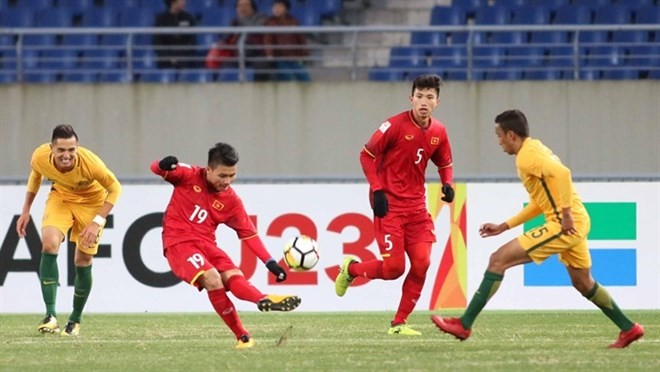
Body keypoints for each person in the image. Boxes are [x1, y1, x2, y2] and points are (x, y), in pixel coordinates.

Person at [431, 109, 645, 348]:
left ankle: (464, 324)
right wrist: (505, 225)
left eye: (499, 135)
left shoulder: (526, 157)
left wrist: (564, 216)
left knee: (498, 260)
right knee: (583, 282)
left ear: (511, 134)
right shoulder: (535, 148)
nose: (498, 140)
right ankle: (629, 328)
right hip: (576, 220)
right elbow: (539, 202)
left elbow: (564, 174)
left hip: (565, 224)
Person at [334, 74, 455, 335]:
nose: (424, 101)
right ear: (411, 98)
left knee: (422, 263)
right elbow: (366, 155)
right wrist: (377, 190)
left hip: (417, 208)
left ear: (437, 102)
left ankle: (399, 323)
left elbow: (444, 162)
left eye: (429, 97)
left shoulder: (439, 131)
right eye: (419, 96)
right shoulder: (393, 126)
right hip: (389, 204)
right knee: (394, 269)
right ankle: (351, 269)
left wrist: (448, 183)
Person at [151, 142, 301, 349]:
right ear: (209, 169)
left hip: (207, 245)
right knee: (213, 278)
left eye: (232, 175)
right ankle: (242, 334)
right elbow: (156, 169)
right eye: (223, 176)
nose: (228, 181)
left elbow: (249, 234)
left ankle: (263, 299)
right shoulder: (188, 175)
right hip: (179, 243)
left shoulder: (231, 201)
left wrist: (270, 262)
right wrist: (164, 163)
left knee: (233, 277)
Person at [16, 124, 122, 336]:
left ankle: (75, 319)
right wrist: (25, 210)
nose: (67, 155)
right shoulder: (40, 156)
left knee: (82, 260)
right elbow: (36, 175)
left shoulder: (91, 163)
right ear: (52, 148)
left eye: (71, 150)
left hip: (92, 203)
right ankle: (50, 315)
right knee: (49, 243)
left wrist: (97, 222)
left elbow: (115, 189)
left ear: (77, 148)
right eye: (61, 150)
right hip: (61, 197)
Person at [264, 0, 310, 81]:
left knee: (305, 77)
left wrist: (305, 54)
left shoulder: (294, 21)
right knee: (288, 76)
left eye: (280, 6)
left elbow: (301, 39)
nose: (276, 9)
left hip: (294, 58)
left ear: (286, 9)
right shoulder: (270, 22)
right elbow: (268, 40)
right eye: (275, 6)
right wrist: (269, 55)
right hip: (279, 59)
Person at [153, 0, 197, 69]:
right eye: (182, 0)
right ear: (173, 2)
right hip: (165, 61)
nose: (184, 2)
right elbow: (156, 43)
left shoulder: (189, 18)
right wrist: (169, 57)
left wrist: (181, 56)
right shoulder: (161, 19)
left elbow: (193, 41)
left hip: (185, 60)